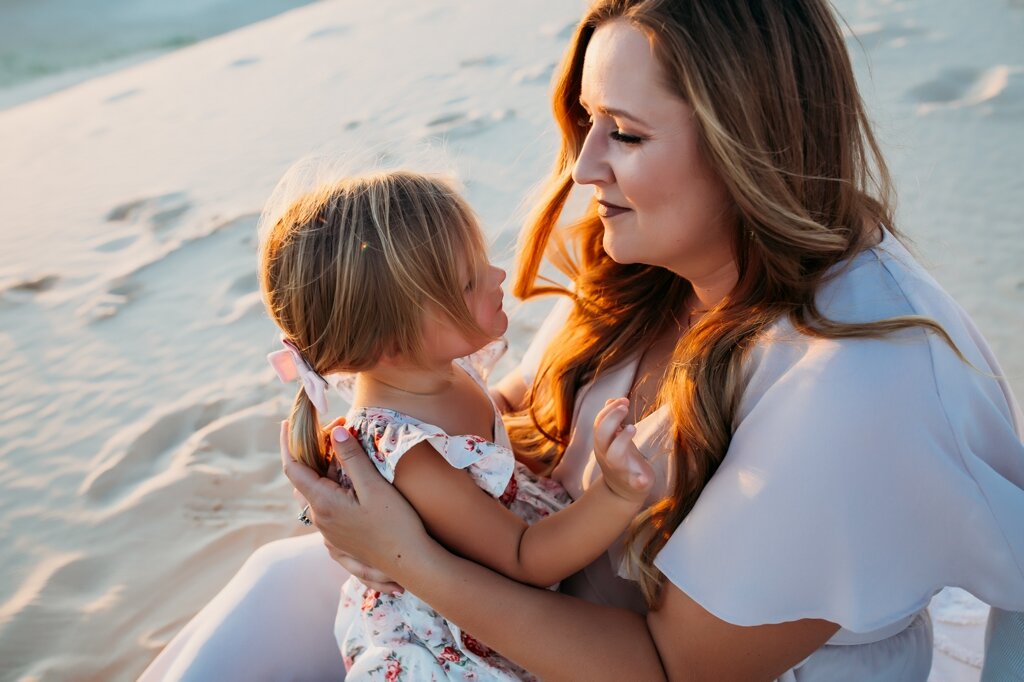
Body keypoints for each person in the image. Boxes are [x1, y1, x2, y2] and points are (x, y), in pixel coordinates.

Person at [142, 1, 1024, 680]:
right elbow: (505, 426)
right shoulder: (661, 268)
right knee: (267, 590)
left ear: (747, 148)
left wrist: (405, 554)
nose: (584, 165)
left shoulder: (853, 387)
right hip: (527, 613)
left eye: (628, 134)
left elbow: (670, 669)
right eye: (589, 119)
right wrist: (365, 491)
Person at [260, 170, 654, 680]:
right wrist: (617, 491)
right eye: (469, 282)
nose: (498, 276)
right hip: (453, 648)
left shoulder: (439, 370)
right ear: (393, 342)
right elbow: (524, 557)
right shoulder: (411, 454)